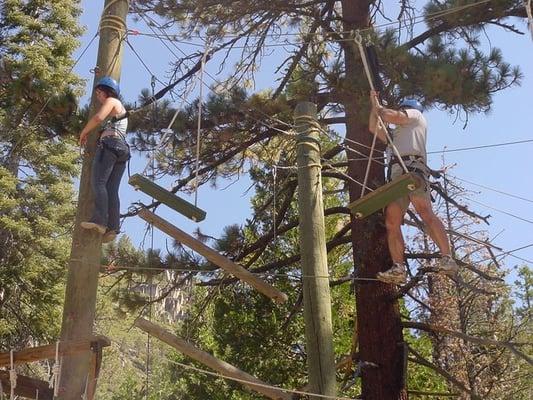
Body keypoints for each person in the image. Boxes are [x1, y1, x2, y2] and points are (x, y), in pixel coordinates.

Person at [368, 90, 458, 284]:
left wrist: (380, 108)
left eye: (403, 110)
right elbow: (374, 128)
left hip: (412, 169)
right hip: (396, 178)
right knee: (392, 221)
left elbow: (391, 115)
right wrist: (373, 105)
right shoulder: (396, 135)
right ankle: (398, 268)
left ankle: (447, 257)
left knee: (424, 211)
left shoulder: (416, 117)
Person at [78, 76, 130, 243]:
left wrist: (84, 132)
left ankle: (99, 220)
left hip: (110, 145)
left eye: (99, 93)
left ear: (105, 91)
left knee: (98, 183)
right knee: (111, 189)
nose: (98, 97)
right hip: (122, 150)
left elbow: (98, 118)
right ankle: (113, 227)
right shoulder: (120, 112)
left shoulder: (112, 101)